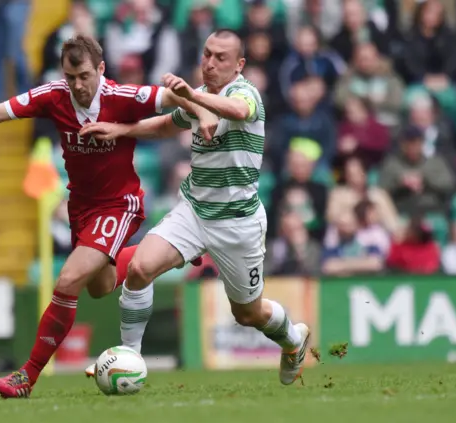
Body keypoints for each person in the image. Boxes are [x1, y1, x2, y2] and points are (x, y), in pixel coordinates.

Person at [0, 34, 214, 398]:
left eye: (85, 76)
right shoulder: (52, 95)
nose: (78, 85)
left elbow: (173, 96)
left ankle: (26, 376)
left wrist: (205, 111)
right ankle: (174, 247)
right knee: (100, 287)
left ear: (100, 69)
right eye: (71, 77)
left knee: (67, 280)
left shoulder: (123, 96)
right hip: (81, 208)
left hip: (119, 205)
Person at [80, 29, 310, 386]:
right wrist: (120, 130)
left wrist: (189, 95)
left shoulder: (245, 94)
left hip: (237, 223)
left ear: (239, 65)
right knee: (140, 269)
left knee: (248, 313)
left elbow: (236, 110)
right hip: (194, 210)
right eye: (206, 54)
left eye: (221, 57)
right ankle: (129, 357)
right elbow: (166, 125)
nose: (210, 63)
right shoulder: (199, 95)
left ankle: (293, 341)